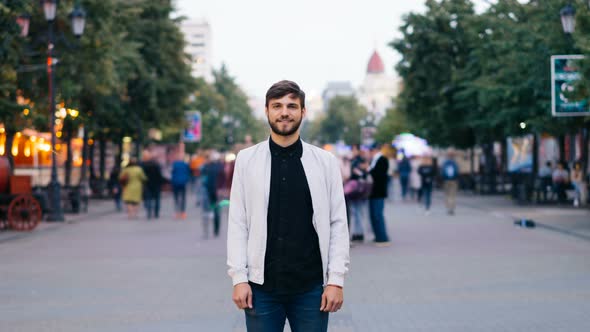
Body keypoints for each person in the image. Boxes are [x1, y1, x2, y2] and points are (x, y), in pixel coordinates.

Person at [227, 80, 349, 332]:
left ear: (303, 112)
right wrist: (238, 278)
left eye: (292, 106)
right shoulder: (247, 160)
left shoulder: (325, 162)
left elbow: (338, 223)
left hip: (311, 288)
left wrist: (336, 280)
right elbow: (238, 222)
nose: (284, 112)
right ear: (267, 111)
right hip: (261, 288)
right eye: (277, 106)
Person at [368, 142, 390, 246]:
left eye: (371, 151)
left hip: (379, 192)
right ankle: (377, 235)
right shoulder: (374, 160)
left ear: (375, 150)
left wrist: (368, 170)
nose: (369, 153)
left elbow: (379, 175)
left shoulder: (382, 159)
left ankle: (383, 238)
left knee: (377, 215)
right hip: (373, 192)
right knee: (373, 215)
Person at [348, 145, 370, 243]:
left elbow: (365, 173)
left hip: (359, 187)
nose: (353, 151)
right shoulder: (353, 160)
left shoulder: (360, 160)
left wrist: (357, 172)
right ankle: (357, 233)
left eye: (354, 149)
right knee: (356, 211)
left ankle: (359, 233)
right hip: (355, 187)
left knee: (358, 211)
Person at [200, 151, 223, 238]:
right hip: (217, 192)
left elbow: (203, 180)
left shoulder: (206, 167)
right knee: (216, 211)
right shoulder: (220, 167)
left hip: (208, 192)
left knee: (206, 212)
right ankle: (216, 230)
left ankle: (206, 231)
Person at [141, 150, 164, 220]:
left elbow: (141, 175)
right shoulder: (156, 164)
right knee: (157, 199)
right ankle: (156, 212)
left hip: (147, 184)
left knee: (148, 198)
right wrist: (161, 182)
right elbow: (159, 175)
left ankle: (149, 211)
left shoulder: (142, 165)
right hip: (156, 184)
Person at [170, 153, 192, 219]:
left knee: (176, 197)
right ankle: (183, 212)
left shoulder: (174, 164)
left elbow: (172, 172)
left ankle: (176, 213)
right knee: (183, 198)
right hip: (183, 182)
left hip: (175, 182)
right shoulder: (185, 165)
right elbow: (188, 172)